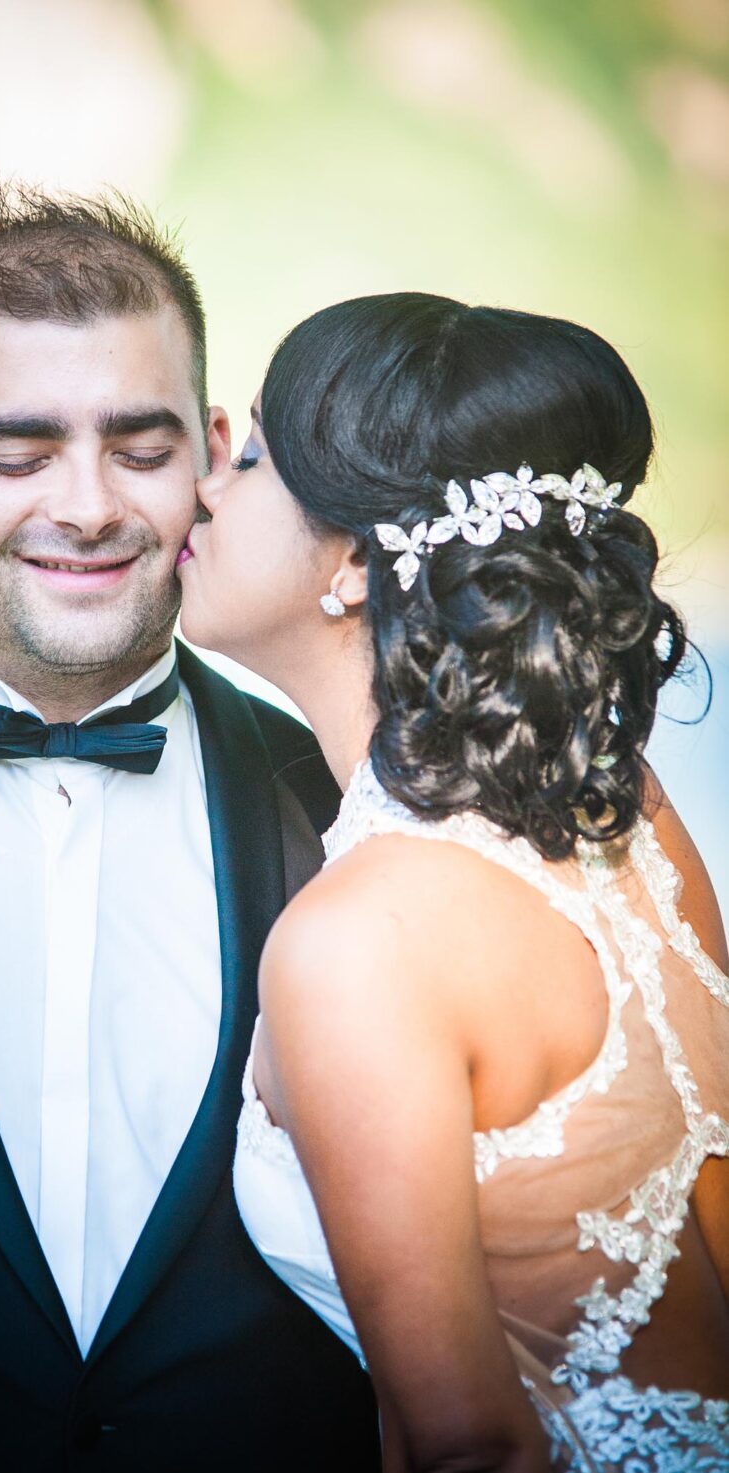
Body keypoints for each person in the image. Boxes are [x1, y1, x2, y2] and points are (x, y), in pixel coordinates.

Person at [0, 188, 380, 1471]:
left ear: (211, 455)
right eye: (20, 455)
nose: (87, 507)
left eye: (140, 450)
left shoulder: (357, 812)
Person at [177, 293, 729, 1472]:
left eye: (256, 457)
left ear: (350, 565)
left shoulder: (358, 943)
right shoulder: (619, 802)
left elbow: (465, 1445)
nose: (204, 487)